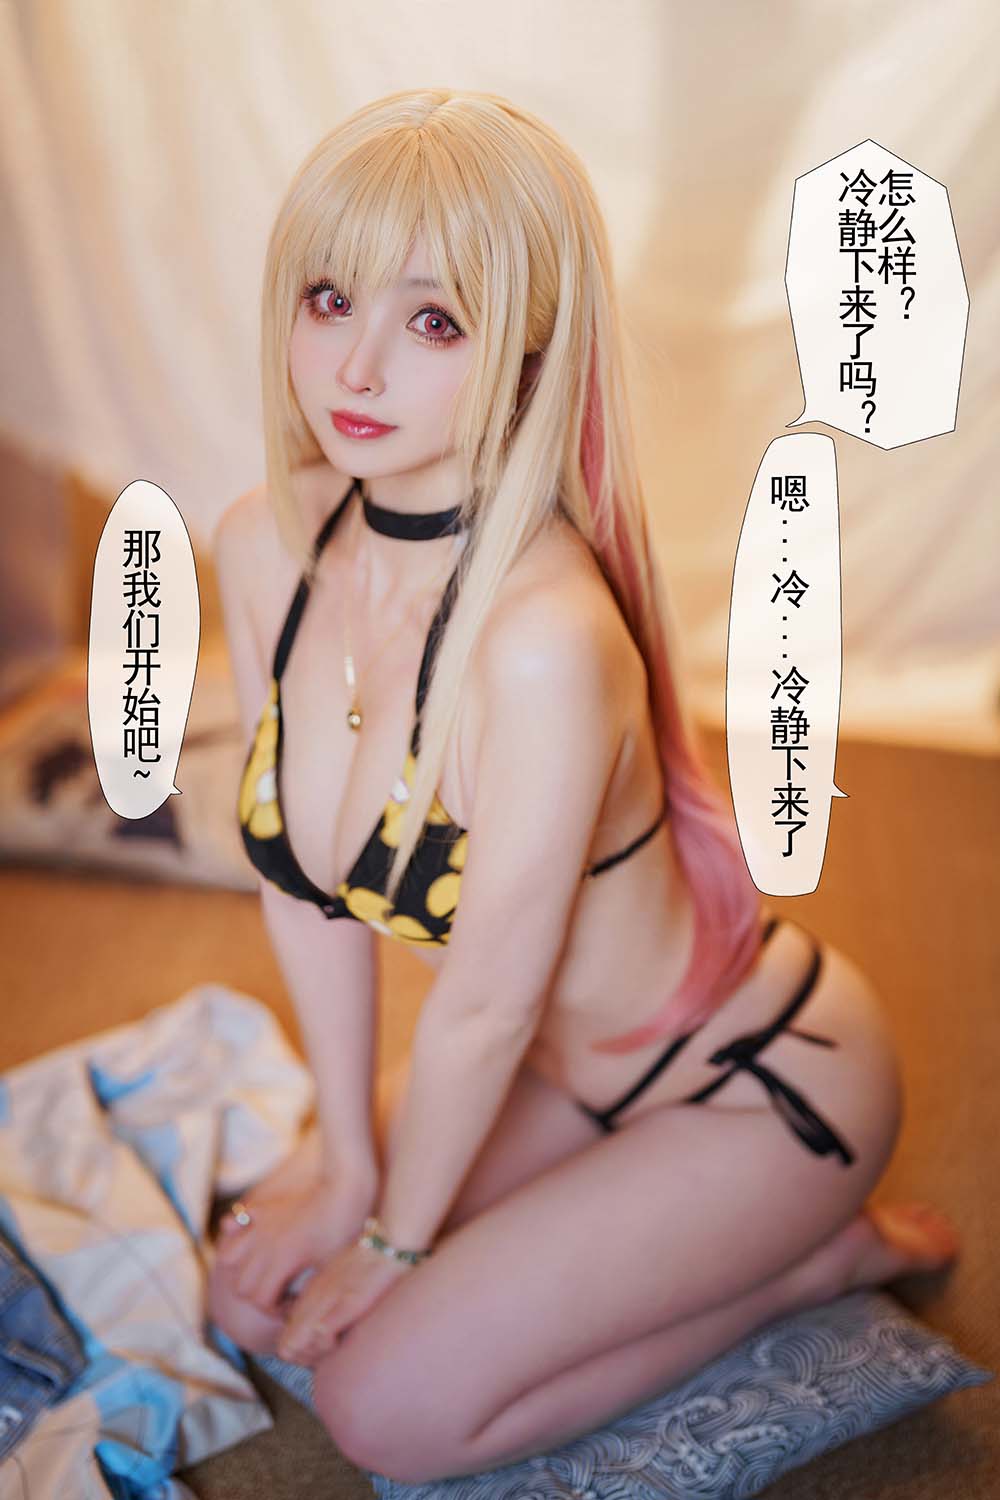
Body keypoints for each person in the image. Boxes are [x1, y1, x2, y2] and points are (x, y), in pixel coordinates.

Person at [207, 88, 959, 1485]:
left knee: (381, 1408)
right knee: (249, 1297)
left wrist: (394, 1244)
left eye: (437, 323)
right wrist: (349, 1167)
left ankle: (809, 1263)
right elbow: (304, 891)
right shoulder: (265, 545)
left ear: (530, 353)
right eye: (330, 298)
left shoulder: (543, 640)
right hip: (556, 1077)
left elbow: (484, 1006)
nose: (357, 367)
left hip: (753, 1087)